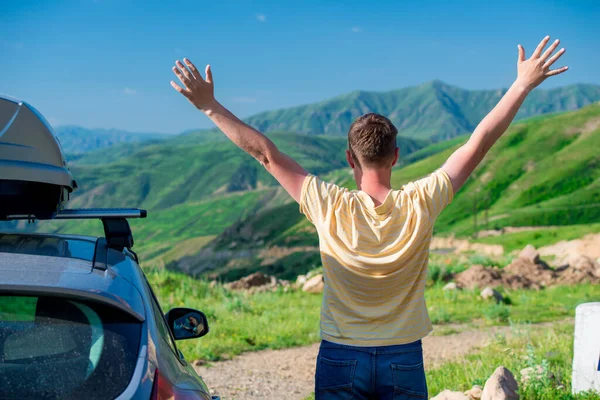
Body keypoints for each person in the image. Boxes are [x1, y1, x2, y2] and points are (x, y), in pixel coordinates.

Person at [170, 36, 567, 399]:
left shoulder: (328, 204)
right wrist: (521, 85)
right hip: (404, 356)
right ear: (396, 156)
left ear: (349, 159)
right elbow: (479, 141)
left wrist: (208, 105)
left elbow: (265, 154)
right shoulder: (422, 200)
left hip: (340, 355)